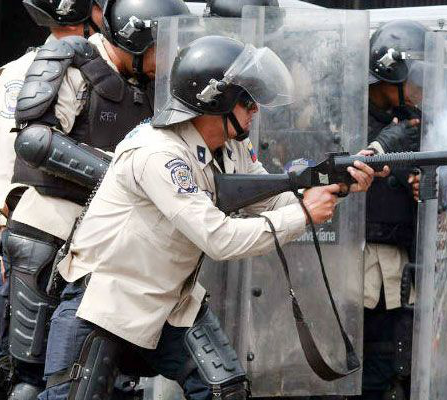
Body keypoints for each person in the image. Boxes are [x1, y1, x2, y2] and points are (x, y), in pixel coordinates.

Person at [38, 34, 382, 400]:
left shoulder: (231, 145)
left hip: (171, 301)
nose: (256, 110)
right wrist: (304, 212)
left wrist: (334, 188)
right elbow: (219, 239)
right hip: (107, 298)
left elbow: (269, 202)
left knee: (227, 392)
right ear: (216, 100)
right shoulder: (159, 153)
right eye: (247, 100)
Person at [0, 0, 190, 397]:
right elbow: (36, 141)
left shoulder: (154, 85)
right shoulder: (72, 62)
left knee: (99, 376)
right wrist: (126, 176)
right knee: (34, 378)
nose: (169, 56)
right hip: (49, 234)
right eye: (161, 45)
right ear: (137, 40)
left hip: (111, 248)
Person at [0, 1, 107, 397]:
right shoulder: (28, 73)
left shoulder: (95, 67)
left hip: (73, 235)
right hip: (33, 228)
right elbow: (10, 159)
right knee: (26, 368)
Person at [352, 19, 429, 400]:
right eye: (415, 79)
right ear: (390, 74)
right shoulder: (347, 114)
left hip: (403, 277)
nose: (421, 90)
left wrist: (423, 185)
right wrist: (388, 145)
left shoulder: (419, 123)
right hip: (354, 272)